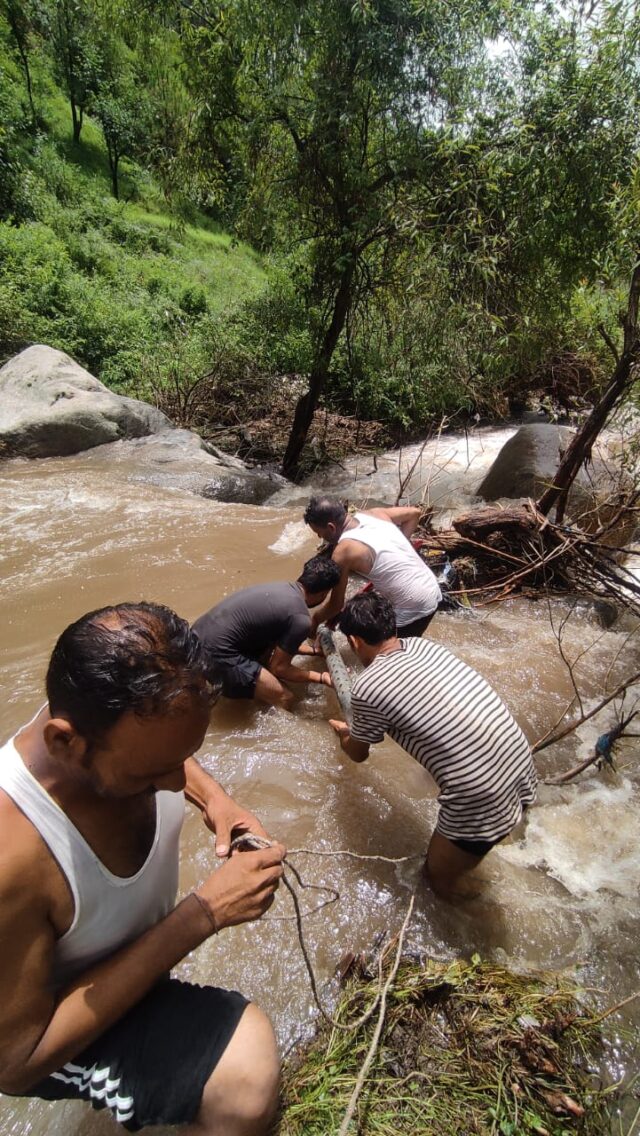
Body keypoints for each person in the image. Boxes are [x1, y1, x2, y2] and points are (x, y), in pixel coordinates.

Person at [0, 602, 286, 1134]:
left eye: (184, 760)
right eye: (155, 772)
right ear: (64, 742)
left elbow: (165, 746)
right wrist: (204, 914)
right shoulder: (11, 857)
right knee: (244, 1086)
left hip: (118, 958)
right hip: (53, 1025)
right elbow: (16, 1064)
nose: (178, 783)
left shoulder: (111, 721)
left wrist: (217, 801)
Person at [328, 591, 536, 898]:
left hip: (481, 795)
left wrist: (344, 734)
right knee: (482, 841)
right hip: (519, 764)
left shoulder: (367, 686)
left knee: (437, 880)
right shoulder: (424, 645)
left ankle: (480, 925)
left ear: (355, 642)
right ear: (393, 627)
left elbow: (358, 754)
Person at [192, 555, 342, 710]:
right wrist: (322, 677)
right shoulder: (301, 618)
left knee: (264, 657)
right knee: (285, 697)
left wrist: (312, 652)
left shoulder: (280, 588)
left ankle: (249, 689)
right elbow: (279, 668)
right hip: (216, 655)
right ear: (324, 594)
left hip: (193, 643)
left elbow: (279, 646)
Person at [303, 496, 442, 638]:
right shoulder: (373, 514)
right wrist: (400, 546)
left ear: (331, 527)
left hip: (413, 605)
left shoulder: (343, 551)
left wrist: (315, 620)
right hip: (432, 588)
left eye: (318, 532)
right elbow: (414, 513)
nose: (320, 536)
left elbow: (336, 605)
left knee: (386, 655)